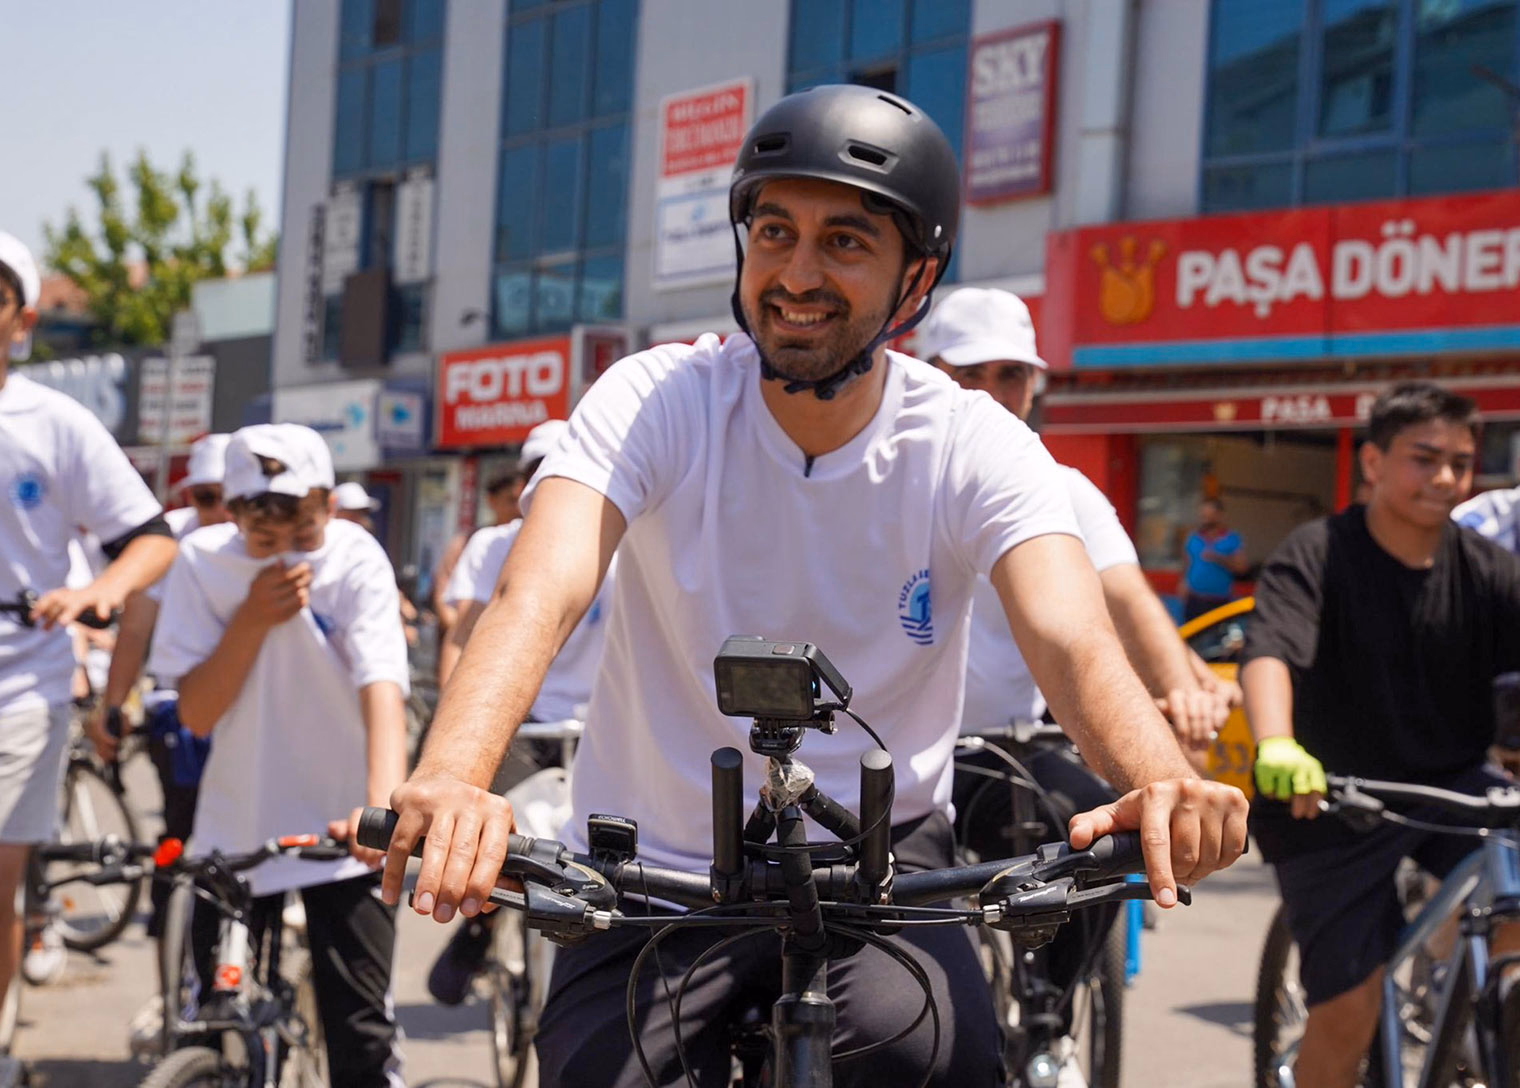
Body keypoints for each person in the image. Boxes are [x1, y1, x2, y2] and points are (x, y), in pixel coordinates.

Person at [380, 84, 1247, 1087]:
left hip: (879, 871)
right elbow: (539, 588)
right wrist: (452, 773)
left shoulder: (970, 439)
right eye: (773, 231)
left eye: (844, 241)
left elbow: (1070, 634)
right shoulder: (657, 398)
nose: (796, 272)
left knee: (944, 1062)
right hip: (651, 864)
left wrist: (1155, 775)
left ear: (913, 280)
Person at [1241, 381, 1520, 1088]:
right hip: (1329, 798)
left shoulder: (1487, 570)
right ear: (1372, 463)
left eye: (1461, 462)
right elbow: (1269, 651)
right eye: (1425, 458)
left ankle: (1479, 1020)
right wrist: (1276, 742)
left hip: (1453, 785)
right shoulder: (1318, 554)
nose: (1447, 478)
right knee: (1349, 1010)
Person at [148, 423, 410, 1088]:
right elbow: (198, 713)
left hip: (342, 828)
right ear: (232, 513)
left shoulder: (355, 557)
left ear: (325, 501)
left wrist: (382, 811)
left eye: (303, 526)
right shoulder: (205, 561)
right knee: (211, 1018)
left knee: (360, 1036)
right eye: (262, 533)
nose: (287, 548)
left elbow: (383, 688)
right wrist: (250, 621)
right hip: (237, 826)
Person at [917, 286, 1232, 759]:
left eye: (1011, 375)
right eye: (969, 374)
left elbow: (1126, 598)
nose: (992, 394)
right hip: (884, 761)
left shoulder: (1060, 486)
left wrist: (1185, 698)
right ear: (929, 375)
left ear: (1033, 386)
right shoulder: (886, 476)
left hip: (1011, 754)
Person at [0, 229, 178, 1005]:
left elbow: (150, 539)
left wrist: (96, 593)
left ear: (22, 319)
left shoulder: (55, 423)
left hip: (19, 685)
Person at [425, 417, 618, 1006]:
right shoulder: (494, 545)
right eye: (537, 472)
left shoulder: (620, 541)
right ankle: (480, 920)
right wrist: (454, 733)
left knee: (607, 861)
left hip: (597, 729)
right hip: (521, 723)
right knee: (498, 844)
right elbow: (464, 636)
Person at [431, 468, 522, 649]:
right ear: (492, 501)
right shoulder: (469, 542)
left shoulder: (529, 541)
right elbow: (443, 599)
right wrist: (467, 637)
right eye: (511, 501)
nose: (518, 508)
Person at [1181, 497, 1247, 620]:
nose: (1204, 519)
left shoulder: (1232, 538)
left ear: (1219, 515)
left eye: (1208, 515)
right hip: (1194, 599)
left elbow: (1241, 568)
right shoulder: (1193, 537)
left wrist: (1219, 558)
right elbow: (1187, 563)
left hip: (1219, 601)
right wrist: (1184, 583)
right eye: (1203, 515)